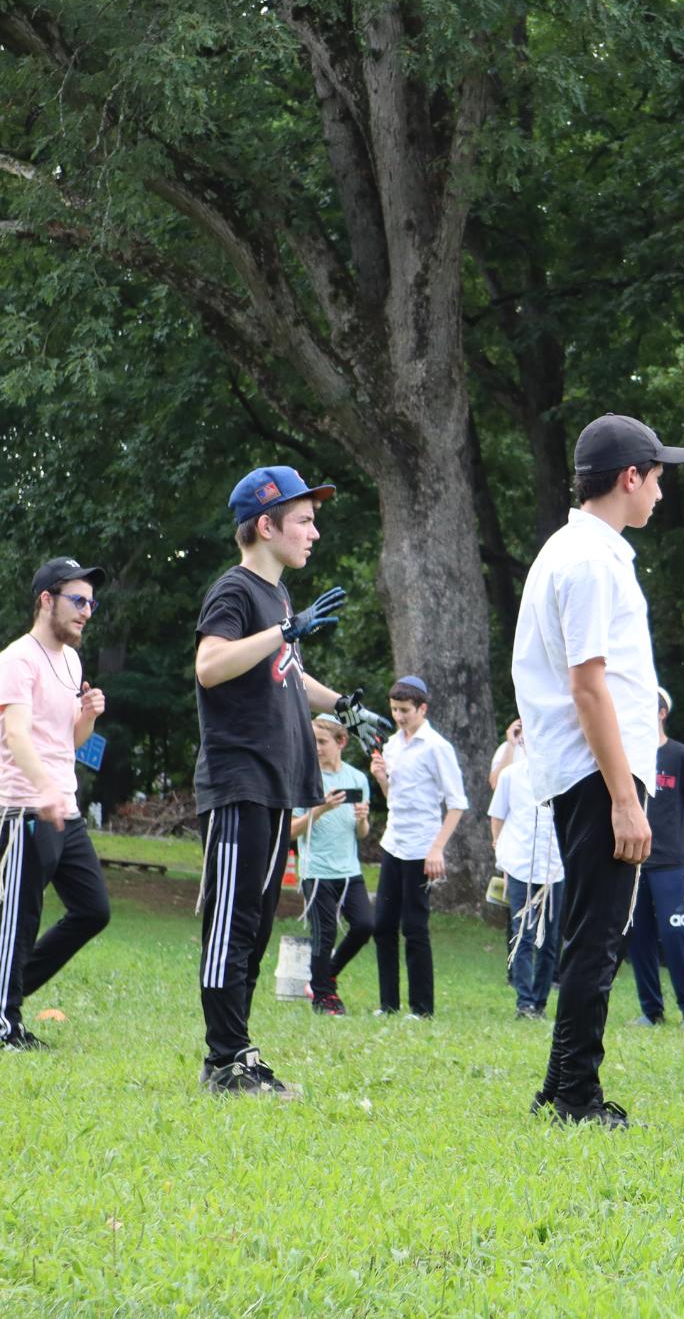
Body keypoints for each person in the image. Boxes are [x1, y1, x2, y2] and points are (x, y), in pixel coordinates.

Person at [517, 414, 684, 1128]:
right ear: (629, 477)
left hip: (588, 769)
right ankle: (577, 1099)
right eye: (657, 478)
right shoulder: (588, 560)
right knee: (599, 935)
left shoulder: (584, 551)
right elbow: (588, 685)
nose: (660, 493)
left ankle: (558, 1087)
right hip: (597, 772)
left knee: (591, 928)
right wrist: (624, 797)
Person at [193, 468, 360, 1094]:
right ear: (266, 526)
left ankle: (236, 1051)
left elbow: (287, 670)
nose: (314, 533)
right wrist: (284, 631)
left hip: (273, 785)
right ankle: (224, 1061)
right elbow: (210, 665)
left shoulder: (279, 598)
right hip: (237, 782)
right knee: (230, 924)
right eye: (304, 521)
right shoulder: (234, 590)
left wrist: (343, 705)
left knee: (256, 925)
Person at [1, 557, 110, 1049]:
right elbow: (16, 734)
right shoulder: (17, 660)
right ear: (46, 600)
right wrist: (43, 787)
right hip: (24, 807)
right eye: (78, 600)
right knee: (19, 920)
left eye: (91, 603)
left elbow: (69, 740)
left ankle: (9, 992)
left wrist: (88, 716)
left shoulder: (71, 661)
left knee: (93, 910)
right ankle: (5, 1024)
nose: (87, 611)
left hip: (64, 809)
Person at [368, 675, 466, 1018]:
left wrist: (436, 849)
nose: (399, 716)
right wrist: (381, 779)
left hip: (421, 849)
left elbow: (457, 804)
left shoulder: (437, 747)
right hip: (393, 844)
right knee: (382, 925)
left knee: (414, 927)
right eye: (394, 709)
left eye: (405, 710)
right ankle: (388, 1004)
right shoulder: (392, 745)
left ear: (422, 709)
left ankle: (422, 1009)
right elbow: (393, 799)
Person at [627, 689, 684, 1030]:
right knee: (638, 938)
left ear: (662, 713)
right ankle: (651, 1011)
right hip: (633, 863)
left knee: (675, 935)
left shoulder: (680, 755)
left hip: (671, 863)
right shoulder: (627, 755)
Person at [292, 714, 372, 1016]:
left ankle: (327, 974)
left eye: (322, 741)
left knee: (365, 926)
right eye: (311, 741)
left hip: (350, 871)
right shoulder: (304, 777)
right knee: (324, 934)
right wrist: (321, 809)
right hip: (316, 871)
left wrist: (362, 819)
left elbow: (361, 833)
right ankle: (324, 998)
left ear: (342, 742)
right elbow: (290, 831)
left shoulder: (357, 779)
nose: (315, 747)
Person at [490, 729, 564, 1019]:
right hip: (520, 864)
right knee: (522, 933)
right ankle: (524, 1002)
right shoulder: (510, 776)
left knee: (549, 938)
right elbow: (497, 817)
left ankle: (540, 1001)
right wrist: (501, 857)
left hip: (554, 867)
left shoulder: (563, 777)